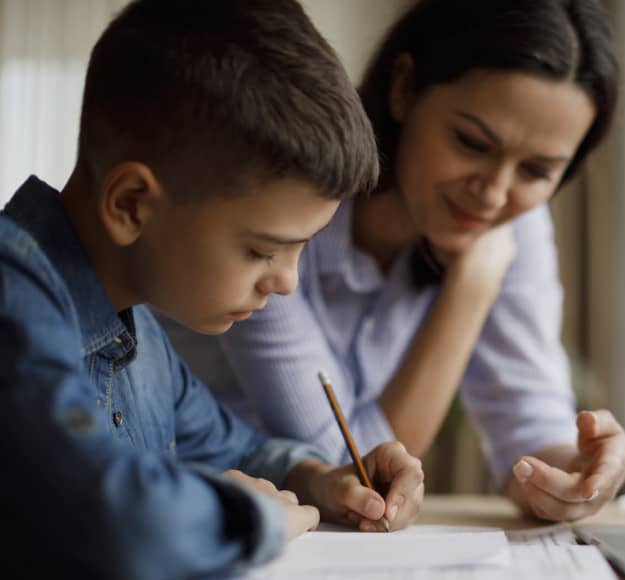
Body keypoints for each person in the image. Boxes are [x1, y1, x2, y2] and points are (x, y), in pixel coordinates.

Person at [0, 1, 425, 578]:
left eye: (302, 249)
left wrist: (323, 481)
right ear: (131, 205)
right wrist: (253, 516)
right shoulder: (14, 292)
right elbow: (115, 517)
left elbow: (241, 451)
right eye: (262, 250)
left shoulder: (139, 332)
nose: (287, 282)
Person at [163, 0, 625, 522]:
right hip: (198, 508)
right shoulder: (281, 207)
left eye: (539, 171)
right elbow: (350, 468)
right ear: (404, 87)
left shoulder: (512, 222)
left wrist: (578, 472)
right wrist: (470, 288)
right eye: (471, 143)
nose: (494, 194)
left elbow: (528, 424)